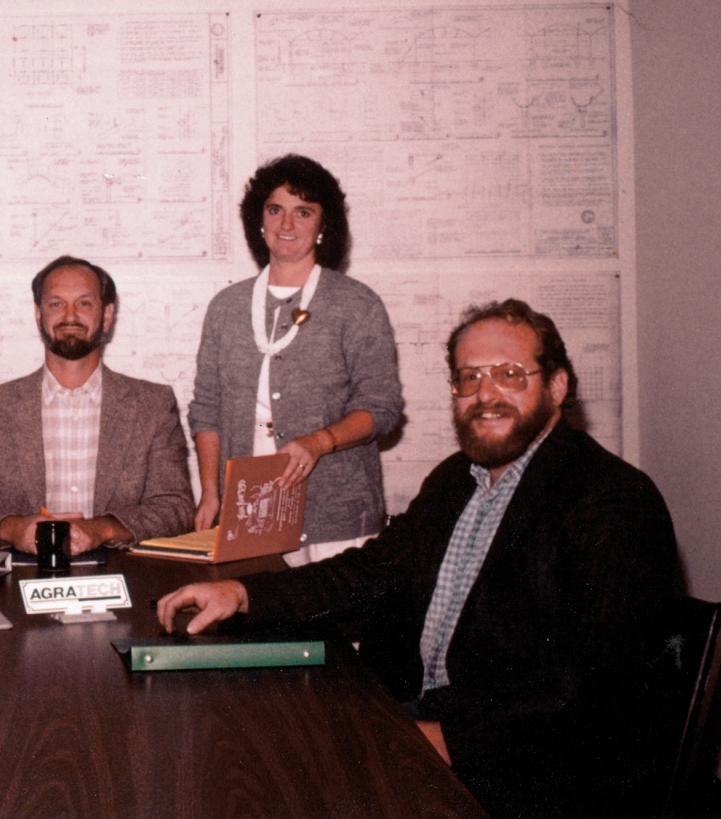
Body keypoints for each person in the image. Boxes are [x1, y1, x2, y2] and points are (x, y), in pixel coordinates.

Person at [159, 299, 681, 819]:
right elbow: (371, 570)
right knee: (247, 754)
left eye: (510, 374)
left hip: (532, 771)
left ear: (558, 386)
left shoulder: (611, 499)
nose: (486, 394)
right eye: (469, 377)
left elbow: (594, 692)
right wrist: (244, 593)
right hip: (428, 719)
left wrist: (443, 739)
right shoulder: (456, 480)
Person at [188, 154, 403, 564]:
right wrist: (211, 494)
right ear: (259, 220)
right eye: (276, 210)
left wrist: (318, 442)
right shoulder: (226, 307)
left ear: (324, 226)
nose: (287, 225)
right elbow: (207, 411)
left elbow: (381, 408)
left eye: (303, 212)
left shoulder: (357, 305)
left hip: (336, 516)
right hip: (248, 514)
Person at [0, 255, 194, 554]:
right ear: (38, 314)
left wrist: (102, 528)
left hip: (122, 576)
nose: (70, 315)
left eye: (84, 303)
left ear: (107, 315)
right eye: (56, 304)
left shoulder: (152, 405)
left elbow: (176, 508)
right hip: (19, 581)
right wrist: (15, 528)